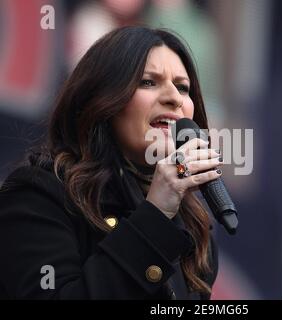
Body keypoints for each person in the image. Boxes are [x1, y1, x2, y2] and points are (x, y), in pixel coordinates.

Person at [0, 26, 223, 299]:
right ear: (103, 102)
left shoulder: (192, 227)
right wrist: (154, 216)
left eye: (183, 87)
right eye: (148, 82)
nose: (174, 98)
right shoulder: (39, 196)